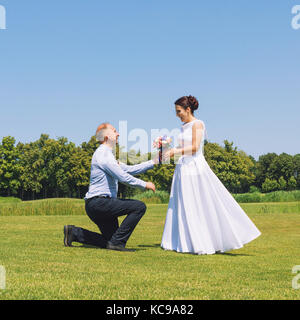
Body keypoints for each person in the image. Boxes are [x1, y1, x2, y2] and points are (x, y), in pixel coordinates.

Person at [161, 96, 261, 255]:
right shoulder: (183, 127)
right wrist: (166, 147)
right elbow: (181, 148)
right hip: (183, 167)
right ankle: (185, 241)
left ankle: (207, 239)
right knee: (184, 202)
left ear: (188, 109)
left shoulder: (198, 124)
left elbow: (194, 148)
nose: (177, 115)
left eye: (179, 111)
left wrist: (175, 151)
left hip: (195, 166)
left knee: (201, 201)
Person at [63, 123, 157, 252]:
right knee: (139, 207)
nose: (118, 134)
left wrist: (154, 162)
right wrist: (145, 184)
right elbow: (122, 176)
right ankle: (117, 244)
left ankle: (74, 233)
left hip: (98, 204)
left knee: (110, 240)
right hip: (100, 203)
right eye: (114, 131)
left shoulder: (107, 155)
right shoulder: (103, 155)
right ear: (107, 136)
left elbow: (129, 170)